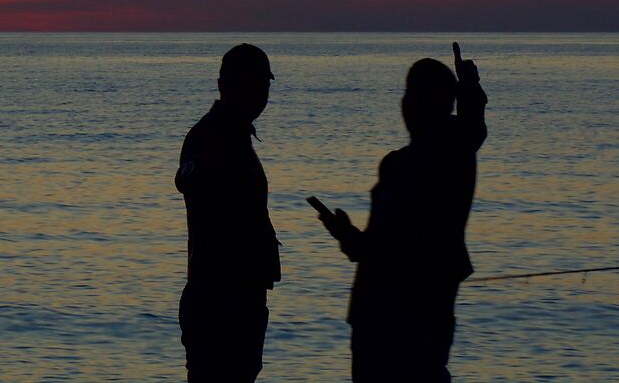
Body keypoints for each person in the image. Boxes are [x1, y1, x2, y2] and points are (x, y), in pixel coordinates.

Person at [311, 43, 486, 383]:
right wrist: (346, 235)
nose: (407, 104)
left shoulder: (451, 155)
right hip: (371, 318)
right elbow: (376, 249)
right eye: (407, 94)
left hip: (419, 319)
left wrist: (469, 85)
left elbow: (471, 127)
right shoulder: (395, 164)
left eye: (417, 95)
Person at [175, 43, 280, 382]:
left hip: (241, 300)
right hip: (218, 301)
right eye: (253, 83)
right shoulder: (209, 136)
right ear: (226, 85)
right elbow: (187, 178)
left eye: (264, 84)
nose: (261, 93)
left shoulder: (236, 136)